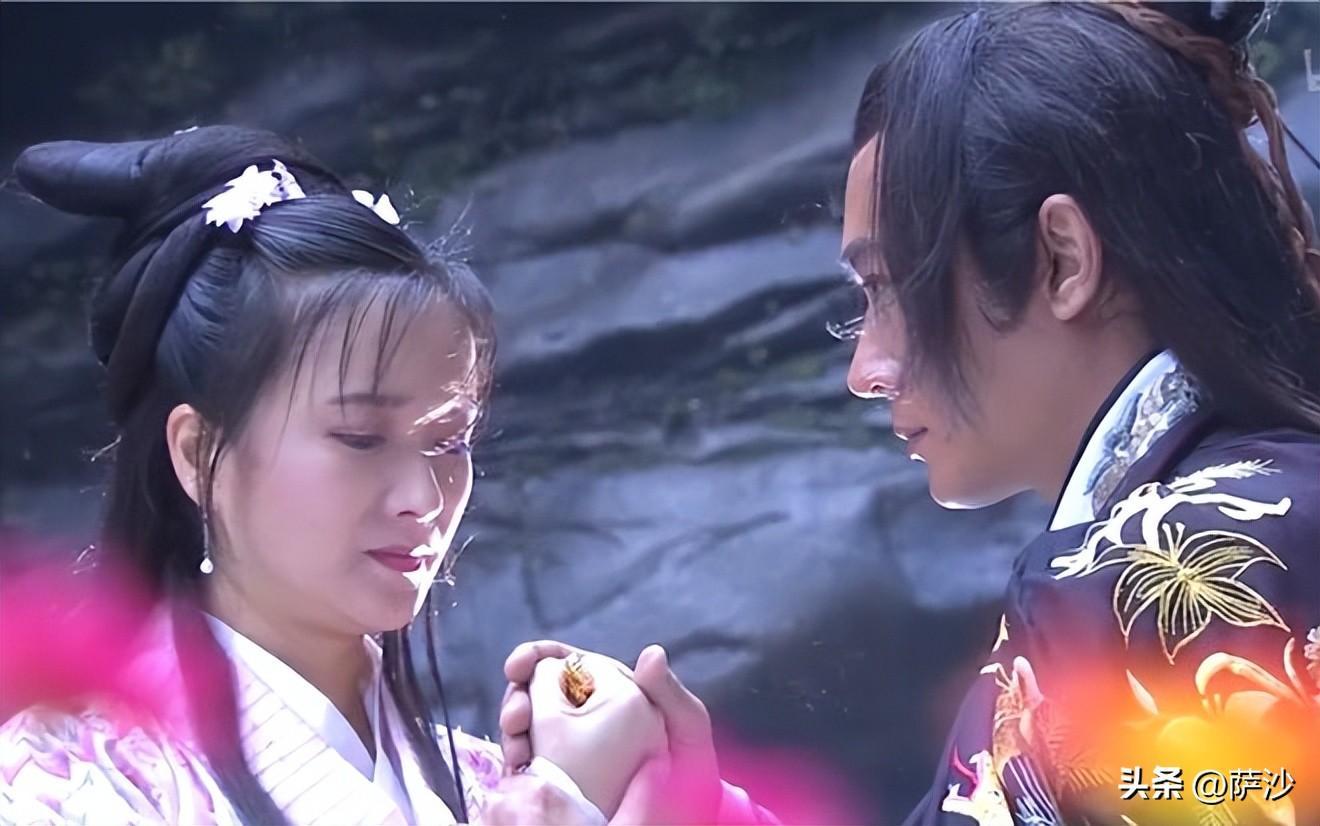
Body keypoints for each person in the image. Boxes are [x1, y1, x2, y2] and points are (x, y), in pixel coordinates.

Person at [501, 2, 1320, 823]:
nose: (865, 372)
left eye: (886, 287)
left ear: (1062, 259)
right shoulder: (1273, 507)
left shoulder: (1144, 585)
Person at [0, 125, 667, 825]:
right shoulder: (59, 784)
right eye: (360, 438)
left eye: (450, 441)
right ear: (199, 453)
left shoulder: (483, 784)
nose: (423, 499)